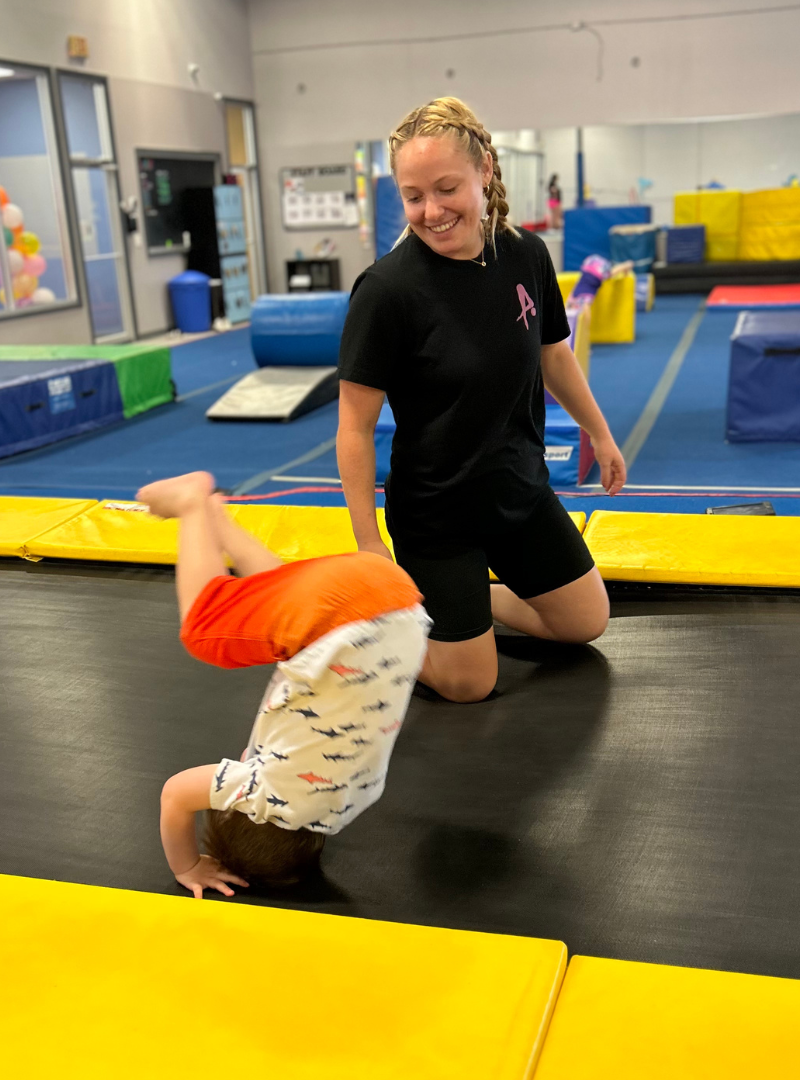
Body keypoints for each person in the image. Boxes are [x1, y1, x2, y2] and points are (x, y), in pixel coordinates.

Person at [337, 97, 627, 706]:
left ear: (485, 171)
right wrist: (368, 545)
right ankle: (383, 629)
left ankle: (465, 602)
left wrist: (600, 434)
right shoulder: (387, 291)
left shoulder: (524, 254)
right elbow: (356, 426)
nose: (432, 211)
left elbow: (554, 354)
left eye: (447, 189)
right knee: (472, 683)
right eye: (413, 196)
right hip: (437, 514)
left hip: (518, 489)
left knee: (584, 623)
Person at [141, 470, 430, 898]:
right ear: (244, 810)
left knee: (281, 607)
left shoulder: (349, 800)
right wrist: (188, 865)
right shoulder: (267, 796)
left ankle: (216, 517)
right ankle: (190, 505)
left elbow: (287, 755)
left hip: (397, 603)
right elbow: (175, 795)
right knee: (203, 632)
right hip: (344, 620)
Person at [568, 254, 634, 309]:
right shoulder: (576, 296)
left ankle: (627, 264)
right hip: (590, 267)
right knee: (610, 273)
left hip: (593, 269)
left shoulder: (583, 298)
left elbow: (586, 310)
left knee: (610, 274)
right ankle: (627, 265)